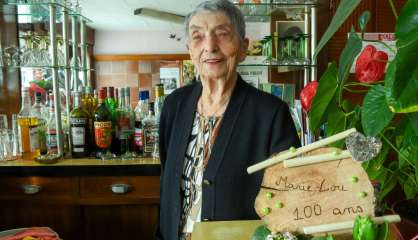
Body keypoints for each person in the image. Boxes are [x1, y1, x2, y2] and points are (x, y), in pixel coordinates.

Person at [157, 1, 300, 239]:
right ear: (190, 49)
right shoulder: (175, 105)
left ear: (243, 47)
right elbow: (167, 185)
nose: (210, 46)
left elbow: (287, 196)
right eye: (198, 36)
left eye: (222, 34)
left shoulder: (271, 113)